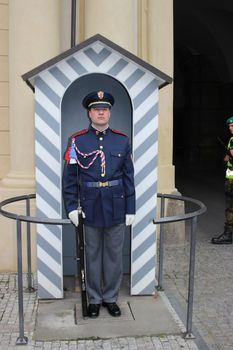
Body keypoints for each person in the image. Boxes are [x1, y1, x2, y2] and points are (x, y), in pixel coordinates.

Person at [62, 90, 136, 318]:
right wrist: (72, 207)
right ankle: (94, 299)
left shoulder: (122, 140)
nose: (101, 112)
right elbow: (70, 178)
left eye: (105, 108)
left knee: (114, 255)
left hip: (116, 206)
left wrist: (130, 208)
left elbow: (128, 177)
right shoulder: (77, 140)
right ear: (89, 113)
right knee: (92, 255)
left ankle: (111, 298)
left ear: (110, 112)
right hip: (89, 206)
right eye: (96, 108)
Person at [211, 116, 233, 244]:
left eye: (232, 125)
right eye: (229, 126)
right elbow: (226, 159)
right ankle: (228, 234)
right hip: (230, 180)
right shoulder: (231, 139)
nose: (230, 128)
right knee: (230, 208)